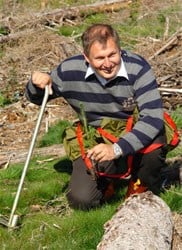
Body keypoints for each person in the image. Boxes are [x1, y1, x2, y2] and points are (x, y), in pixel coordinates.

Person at [26, 24, 167, 210]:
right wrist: (37, 84)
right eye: (100, 58)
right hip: (95, 136)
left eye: (112, 55)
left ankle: (140, 188)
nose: (108, 64)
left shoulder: (138, 68)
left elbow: (153, 118)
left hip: (131, 131)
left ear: (119, 49)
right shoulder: (69, 71)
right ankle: (107, 182)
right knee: (82, 201)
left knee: (156, 135)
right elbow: (36, 98)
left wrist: (116, 149)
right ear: (86, 57)